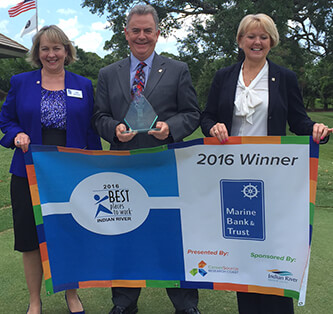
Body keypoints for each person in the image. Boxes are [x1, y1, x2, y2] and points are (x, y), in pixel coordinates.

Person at [200, 13, 332, 314]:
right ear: (240, 40)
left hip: (273, 177)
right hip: (231, 175)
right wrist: (213, 127)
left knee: (273, 249)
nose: (257, 41)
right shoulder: (224, 76)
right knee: (242, 248)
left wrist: (316, 131)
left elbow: (299, 120)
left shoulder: (284, 77)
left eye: (263, 36)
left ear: (271, 41)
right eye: (251, 36)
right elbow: (206, 116)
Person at [92, 4, 201, 314]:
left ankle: (185, 304)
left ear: (157, 33)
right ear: (125, 33)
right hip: (123, 167)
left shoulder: (178, 69)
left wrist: (171, 128)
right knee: (124, 234)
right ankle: (124, 302)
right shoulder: (107, 73)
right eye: (135, 30)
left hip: (165, 166)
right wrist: (114, 129)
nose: (142, 36)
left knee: (172, 235)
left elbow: (193, 113)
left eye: (147, 30)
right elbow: (98, 116)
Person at [0, 25, 102, 314]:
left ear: (67, 51)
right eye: (45, 48)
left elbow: (91, 131)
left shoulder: (83, 85)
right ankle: (35, 300)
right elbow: (6, 120)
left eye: (57, 48)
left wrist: (95, 165)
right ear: (37, 53)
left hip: (71, 172)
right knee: (30, 238)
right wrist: (16, 134)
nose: (51, 54)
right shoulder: (20, 82)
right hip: (29, 171)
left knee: (69, 232)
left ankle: (72, 294)